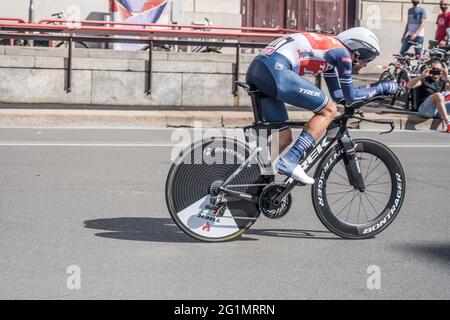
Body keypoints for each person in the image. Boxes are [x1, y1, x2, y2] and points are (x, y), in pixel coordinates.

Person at [245, 28, 398, 184]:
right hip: (276, 70)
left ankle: (245, 180)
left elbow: (338, 95)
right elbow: (350, 98)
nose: (365, 64)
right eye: (368, 57)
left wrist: (374, 88)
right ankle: (291, 160)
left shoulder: (331, 52)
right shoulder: (343, 54)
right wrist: (382, 88)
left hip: (260, 69)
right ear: (359, 50)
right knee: (328, 111)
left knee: (284, 136)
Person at [407, 59, 450, 132]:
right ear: (430, 69)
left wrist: (447, 77)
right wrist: (421, 76)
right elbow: (409, 86)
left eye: (438, 69)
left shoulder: (443, 81)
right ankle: (448, 124)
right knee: (438, 95)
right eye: (434, 69)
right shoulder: (424, 80)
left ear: (442, 70)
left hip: (438, 111)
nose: (436, 71)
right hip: (425, 110)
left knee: (439, 96)